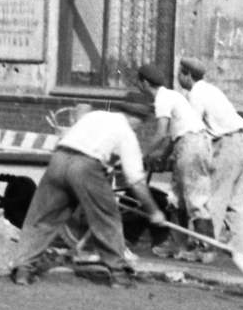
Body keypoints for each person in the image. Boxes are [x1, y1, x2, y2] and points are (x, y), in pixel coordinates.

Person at [9, 94, 168, 287]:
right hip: (86, 167)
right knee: (107, 218)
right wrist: (154, 211)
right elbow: (137, 182)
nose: (140, 125)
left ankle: (23, 270)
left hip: (59, 160)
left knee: (43, 217)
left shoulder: (95, 116)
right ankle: (119, 273)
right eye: (142, 121)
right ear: (136, 116)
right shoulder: (126, 134)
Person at [138, 63, 213, 261]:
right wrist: (161, 156)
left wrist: (143, 155)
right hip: (189, 144)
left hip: (192, 145)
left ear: (145, 83)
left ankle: (205, 248)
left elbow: (161, 135)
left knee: (195, 198)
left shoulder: (162, 99)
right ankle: (178, 244)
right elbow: (172, 137)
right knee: (176, 198)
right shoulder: (172, 96)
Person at [180, 58, 243, 255]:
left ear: (186, 75)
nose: (178, 78)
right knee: (236, 200)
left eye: (180, 74)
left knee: (214, 198)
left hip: (227, 145)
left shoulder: (196, 94)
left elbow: (192, 128)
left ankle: (206, 247)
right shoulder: (211, 89)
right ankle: (239, 247)